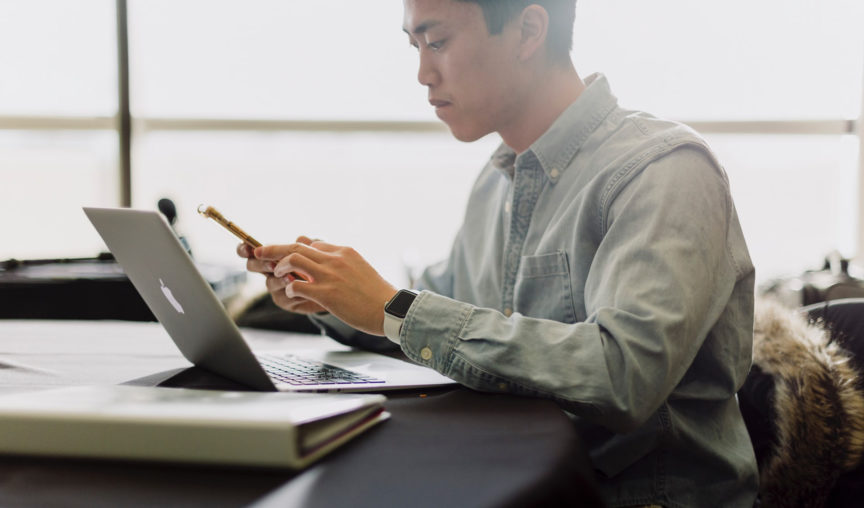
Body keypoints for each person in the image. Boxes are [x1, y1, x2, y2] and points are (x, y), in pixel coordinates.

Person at [239, 0, 759, 505]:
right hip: (516, 476)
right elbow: (443, 321)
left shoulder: (664, 171)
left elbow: (623, 375)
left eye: (438, 41)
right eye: (415, 45)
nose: (422, 73)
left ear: (530, 31)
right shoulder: (496, 183)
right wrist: (339, 299)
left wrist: (392, 309)